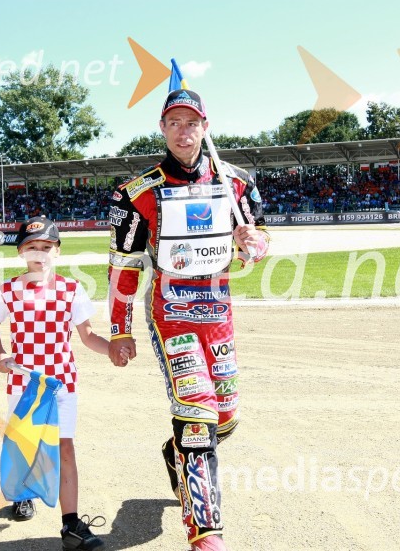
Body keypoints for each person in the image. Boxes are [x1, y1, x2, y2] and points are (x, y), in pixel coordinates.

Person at [107, 89, 270, 551]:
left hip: (218, 315)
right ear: (162, 128)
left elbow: (260, 240)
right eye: (174, 122)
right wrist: (120, 330)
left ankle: (177, 453)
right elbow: (124, 266)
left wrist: (251, 244)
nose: (183, 130)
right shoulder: (137, 193)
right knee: (197, 415)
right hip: (170, 314)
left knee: (225, 417)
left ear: (205, 126)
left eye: (191, 122)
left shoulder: (237, 183)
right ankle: (206, 535)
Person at [0, 216, 128, 551]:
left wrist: (111, 350)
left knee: (64, 448)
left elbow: (88, 336)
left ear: (58, 252)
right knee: (26, 445)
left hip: (61, 383)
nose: (40, 254)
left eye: (47, 247)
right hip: (24, 385)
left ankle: (71, 525)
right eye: (33, 247)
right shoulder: (8, 290)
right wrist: (0, 354)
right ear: (21, 252)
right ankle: (22, 495)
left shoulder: (71, 289)